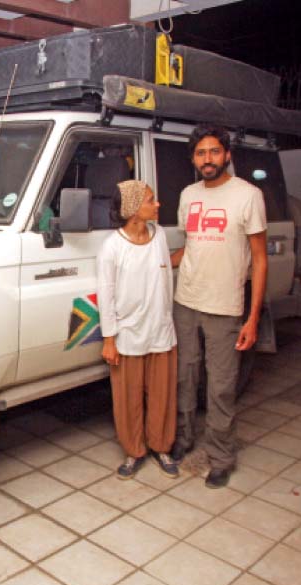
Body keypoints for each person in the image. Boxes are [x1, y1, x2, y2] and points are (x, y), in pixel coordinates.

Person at [169, 123, 268, 489]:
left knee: (221, 386)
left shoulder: (248, 195)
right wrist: (152, 260)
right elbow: (190, 248)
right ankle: (183, 438)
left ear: (226, 154)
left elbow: (259, 259)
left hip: (226, 306)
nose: (207, 160)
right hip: (186, 300)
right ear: (193, 158)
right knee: (184, 377)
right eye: (200, 153)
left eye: (214, 152)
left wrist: (252, 316)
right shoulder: (188, 194)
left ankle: (221, 456)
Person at [97, 180, 179, 480]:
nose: (157, 204)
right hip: (128, 335)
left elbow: (162, 269)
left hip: (160, 331)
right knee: (128, 398)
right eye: (150, 200)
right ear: (132, 210)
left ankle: (162, 447)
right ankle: (134, 451)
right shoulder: (112, 247)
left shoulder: (159, 236)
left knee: (162, 395)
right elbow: (105, 294)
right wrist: (109, 339)